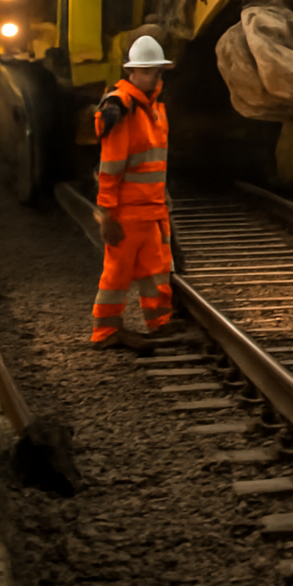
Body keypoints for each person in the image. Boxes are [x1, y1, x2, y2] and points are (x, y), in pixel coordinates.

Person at [89, 34, 179, 351]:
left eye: (159, 71)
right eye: (151, 71)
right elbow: (111, 166)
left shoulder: (152, 109)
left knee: (157, 272)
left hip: (151, 210)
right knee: (117, 275)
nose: (157, 77)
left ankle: (159, 324)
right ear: (133, 73)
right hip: (127, 213)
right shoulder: (122, 109)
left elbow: (153, 164)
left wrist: (163, 201)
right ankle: (105, 332)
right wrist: (107, 214)